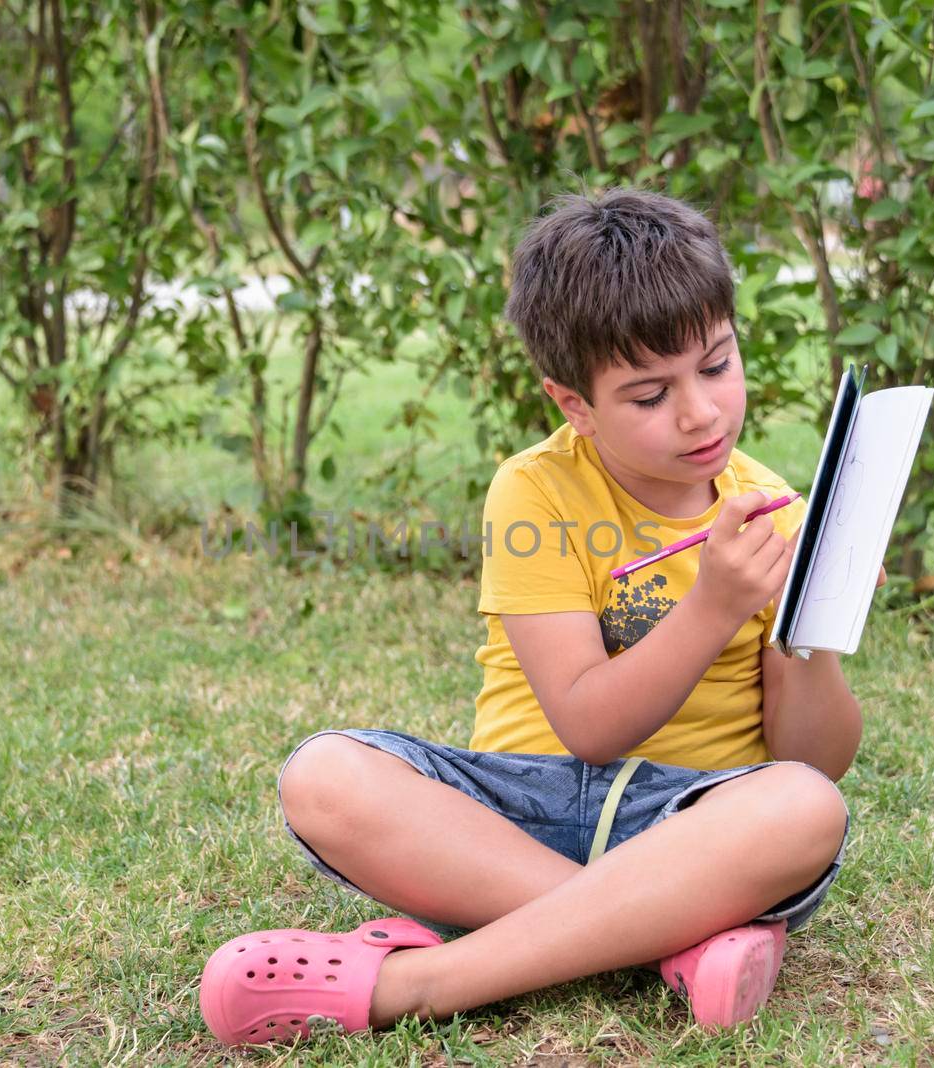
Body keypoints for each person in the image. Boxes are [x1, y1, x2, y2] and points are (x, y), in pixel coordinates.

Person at [199, 187, 868, 1046]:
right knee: (323, 775)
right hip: (522, 806)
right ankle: (666, 944)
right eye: (649, 394)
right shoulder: (535, 491)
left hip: (689, 824)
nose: (700, 411)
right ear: (574, 404)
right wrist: (714, 602)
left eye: (715, 364)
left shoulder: (764, 504)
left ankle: (422, 983)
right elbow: (589, 726)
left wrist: (811, 618)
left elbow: (814, 759)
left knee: (806, 807)